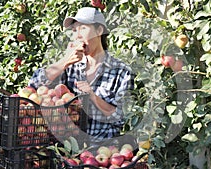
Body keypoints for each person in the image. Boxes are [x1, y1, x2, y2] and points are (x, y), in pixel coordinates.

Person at [28, 7, 135, 144]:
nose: (77, 35)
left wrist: (92, 96)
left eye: (83, 29)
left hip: (104, 148)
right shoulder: (71, 66)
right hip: (69, 147)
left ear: (99, 30)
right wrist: (63, 62)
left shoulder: (121, 71)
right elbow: (34, 86)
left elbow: (121, 118)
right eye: (74, 30)